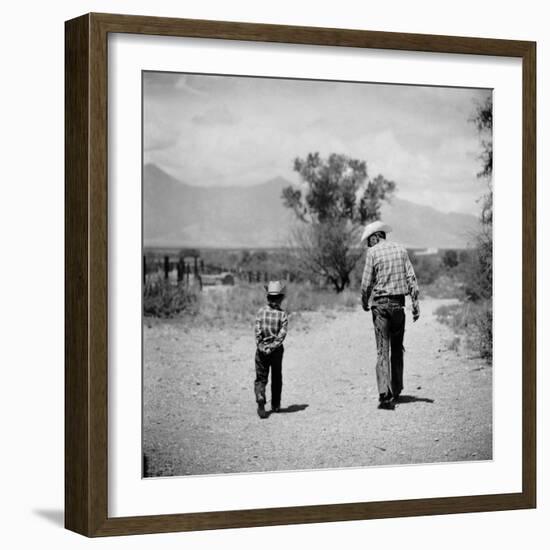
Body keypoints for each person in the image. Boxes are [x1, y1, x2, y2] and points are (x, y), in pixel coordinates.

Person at [360, 221, 420, 410]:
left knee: (382, 349)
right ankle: (397, 389)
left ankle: (384, 393)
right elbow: (411, 277)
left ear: (375, 237)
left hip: (380, 307)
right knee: (397, 348)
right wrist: (416, 305)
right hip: (398, 306)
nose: (369, 245)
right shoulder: (401, 250)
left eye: (369, 241)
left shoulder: (373, 253)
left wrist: (364, 301)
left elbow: (366, 282)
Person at [254, 281, 289, 418]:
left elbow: (257, 332)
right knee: (276, 377)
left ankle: (260, 396)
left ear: (268, 297)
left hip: (261, 351)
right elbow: (282, 334)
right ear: (280, 298)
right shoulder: (283, 315)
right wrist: (273, 346)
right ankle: (275, 405)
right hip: (276, 351)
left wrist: (262, 346)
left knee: (261, 377)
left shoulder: (260, 312)